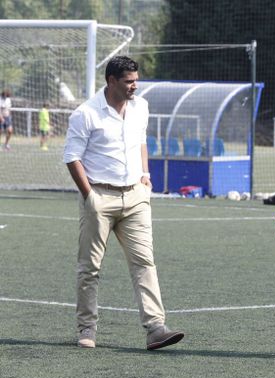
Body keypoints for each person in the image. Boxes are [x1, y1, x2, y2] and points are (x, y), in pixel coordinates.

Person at [63, 55, 184, 350]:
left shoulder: (141, 106)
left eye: (136, 80)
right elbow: (72, 157)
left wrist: (145, 175)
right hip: (99, 198)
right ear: (112, 81)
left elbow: (141, 139)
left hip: (136, 197)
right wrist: (90, 196)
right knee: (89, 268)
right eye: (129, 81)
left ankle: (156, 328)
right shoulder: (85, 113)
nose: (135, 86)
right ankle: (87, 330)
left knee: (144, 262)